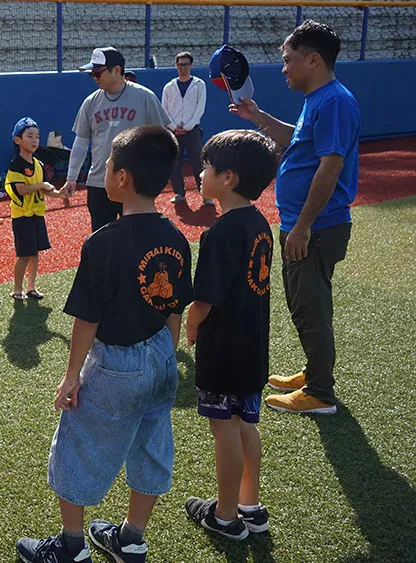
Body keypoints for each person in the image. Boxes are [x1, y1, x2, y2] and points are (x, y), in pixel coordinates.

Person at [17, 126, 192, 563]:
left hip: (115, 364)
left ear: (123, 179)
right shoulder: (175, 237)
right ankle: (132, 539)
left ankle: (71, 547)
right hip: (160, 357)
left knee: (76, 446)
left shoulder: (102, 243)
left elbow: (87, 320)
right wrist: (166, 354)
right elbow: (175, 309)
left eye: (109, 165)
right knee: (150, 446)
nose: (105, 171)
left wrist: (71, 376)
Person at [230, 20, 359, 415]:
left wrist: (302, 226)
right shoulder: (320, 99)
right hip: (308, 225)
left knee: (310, 307)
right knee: (308, 304)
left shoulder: (334, 101)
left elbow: (329, 168)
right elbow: (297, 142)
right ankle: (314, 371)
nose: (284, 68)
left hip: (316, 227)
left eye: (289, 61)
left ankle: (320, 393)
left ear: (313, 60)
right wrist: (258, 117)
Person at [183, 130, 280, 541]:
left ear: (229, 177)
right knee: (245, 423)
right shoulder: (261, 224)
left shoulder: (219, 233)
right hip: (252, 345)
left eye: (205, 168)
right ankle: (249, 505)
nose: (199, 174)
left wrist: (189, 326)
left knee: (224, 427)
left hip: (222, 349)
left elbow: (205, 300)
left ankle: (224, 516)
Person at [65, 47, 172, 232]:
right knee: (100, 238)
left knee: (136, 237)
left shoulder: (145, 97)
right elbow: (81, 142)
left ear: (116, 70)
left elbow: (162, 137)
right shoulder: (90, 102)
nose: (94, 77)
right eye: (92, 73)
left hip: (135, 183)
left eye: (98, 72)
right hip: (99, 183)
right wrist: (71, 177)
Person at [5, 117, 67, 301]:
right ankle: (17, 289)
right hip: (22, 216)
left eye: (37, 137)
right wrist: (42, 185)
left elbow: (47, 191)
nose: (35, 140)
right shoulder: (15, 164)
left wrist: (60, 193)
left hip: (37, 215)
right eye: (29, 136)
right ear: (17, 140)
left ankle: (31, 287)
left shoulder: (39, 165)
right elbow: (21, 189)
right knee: (24, 255)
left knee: (35, 254)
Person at [162, 51, 210, 206]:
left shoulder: (199, 84)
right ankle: (179, 193)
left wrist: (188, 126)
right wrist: (173, 127)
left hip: (192, 130)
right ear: (176, 66)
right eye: (180, 64)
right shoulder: (169, 86)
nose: (183, 68)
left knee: (198, 162)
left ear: (191, 65)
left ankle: (205, 194)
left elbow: (200, 108)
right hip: (173, 131)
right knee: (175, 163)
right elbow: (165, 110)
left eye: (186, 64)